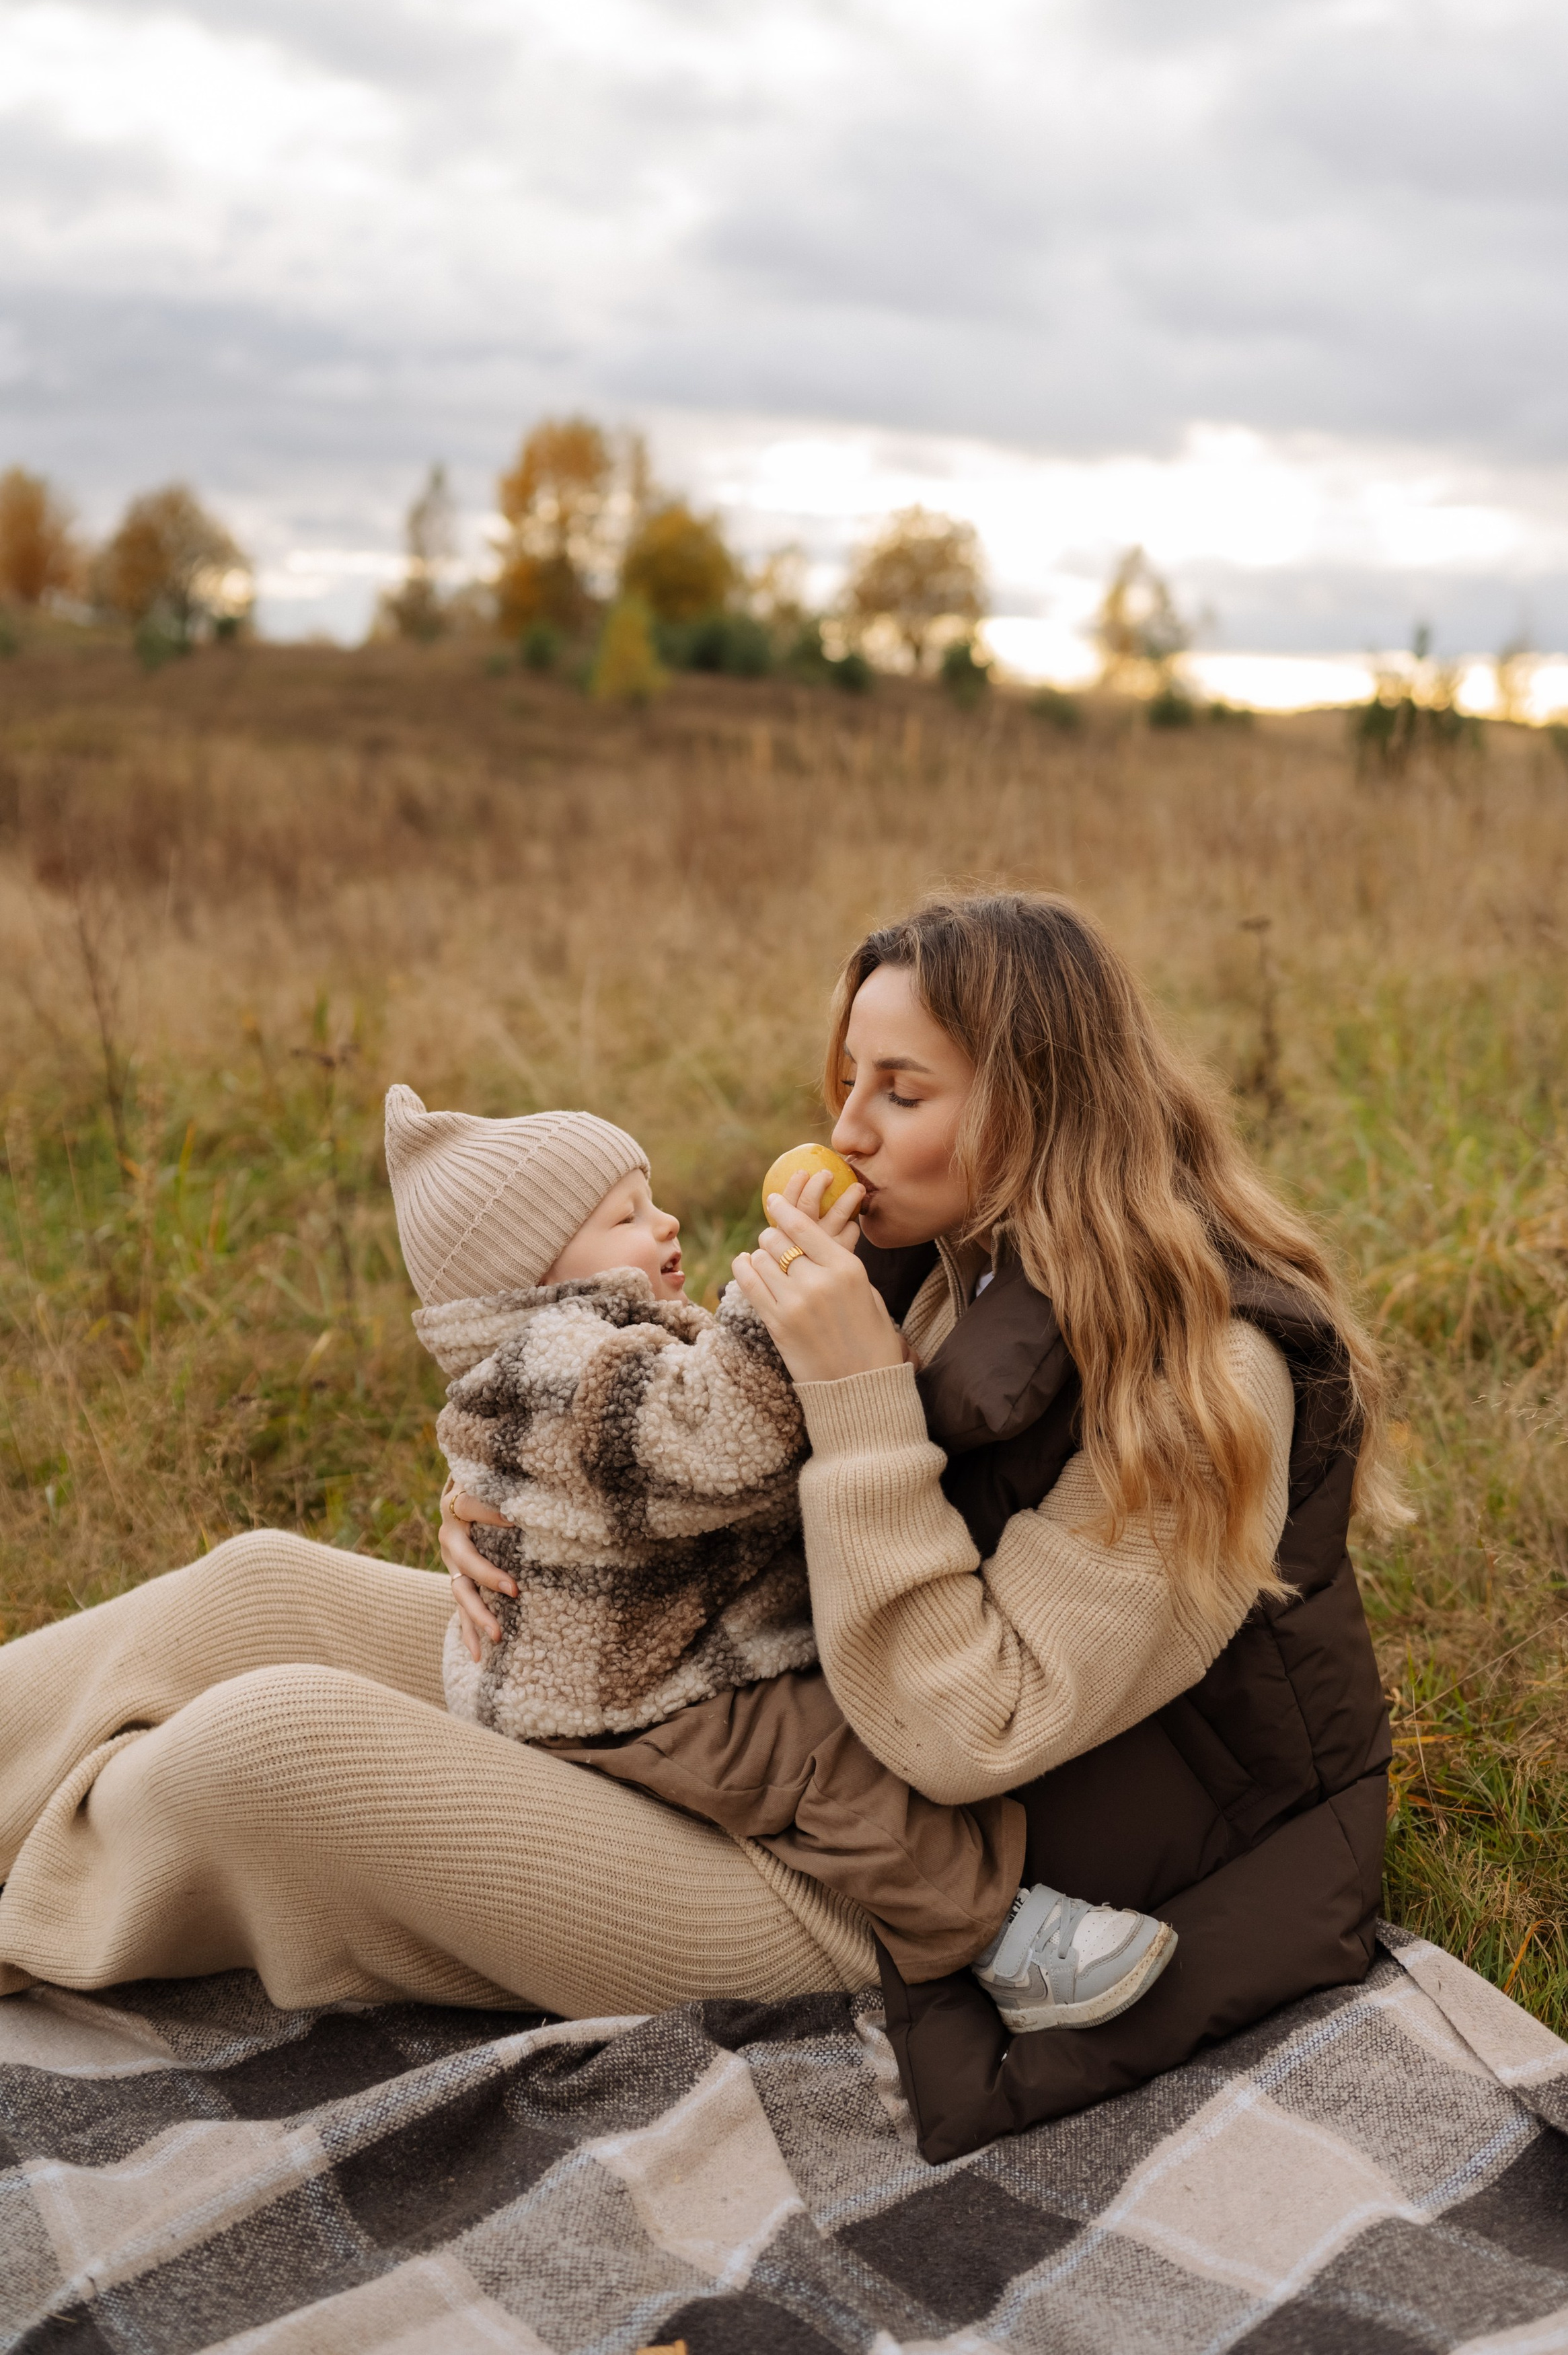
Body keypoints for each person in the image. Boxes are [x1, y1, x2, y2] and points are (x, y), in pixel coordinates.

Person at [0, 890, 1396, 2161]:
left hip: (898, 1885)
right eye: (847, 1081)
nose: (846, 1130)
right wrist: (520, 1496)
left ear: (1036, 1104)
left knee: (275, 1749)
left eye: (900, 1090)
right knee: (259, 1589)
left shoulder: (1207, 1382)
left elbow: (968, 1731)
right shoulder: (946, 1255)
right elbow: (663, 1430)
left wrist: (856, 1399)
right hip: (750, 1704)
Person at [386, 1080, 1174, 2033]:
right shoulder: (557, 1359)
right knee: (821, 1767)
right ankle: (1004, 1942)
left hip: (648, 1645)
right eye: (625, 1217)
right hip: (633, 1690)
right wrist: (780, 1306)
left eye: (650, 1200)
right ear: (530, 1278)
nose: (666, 1222)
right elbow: (713, 1438)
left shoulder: (581, 1344)